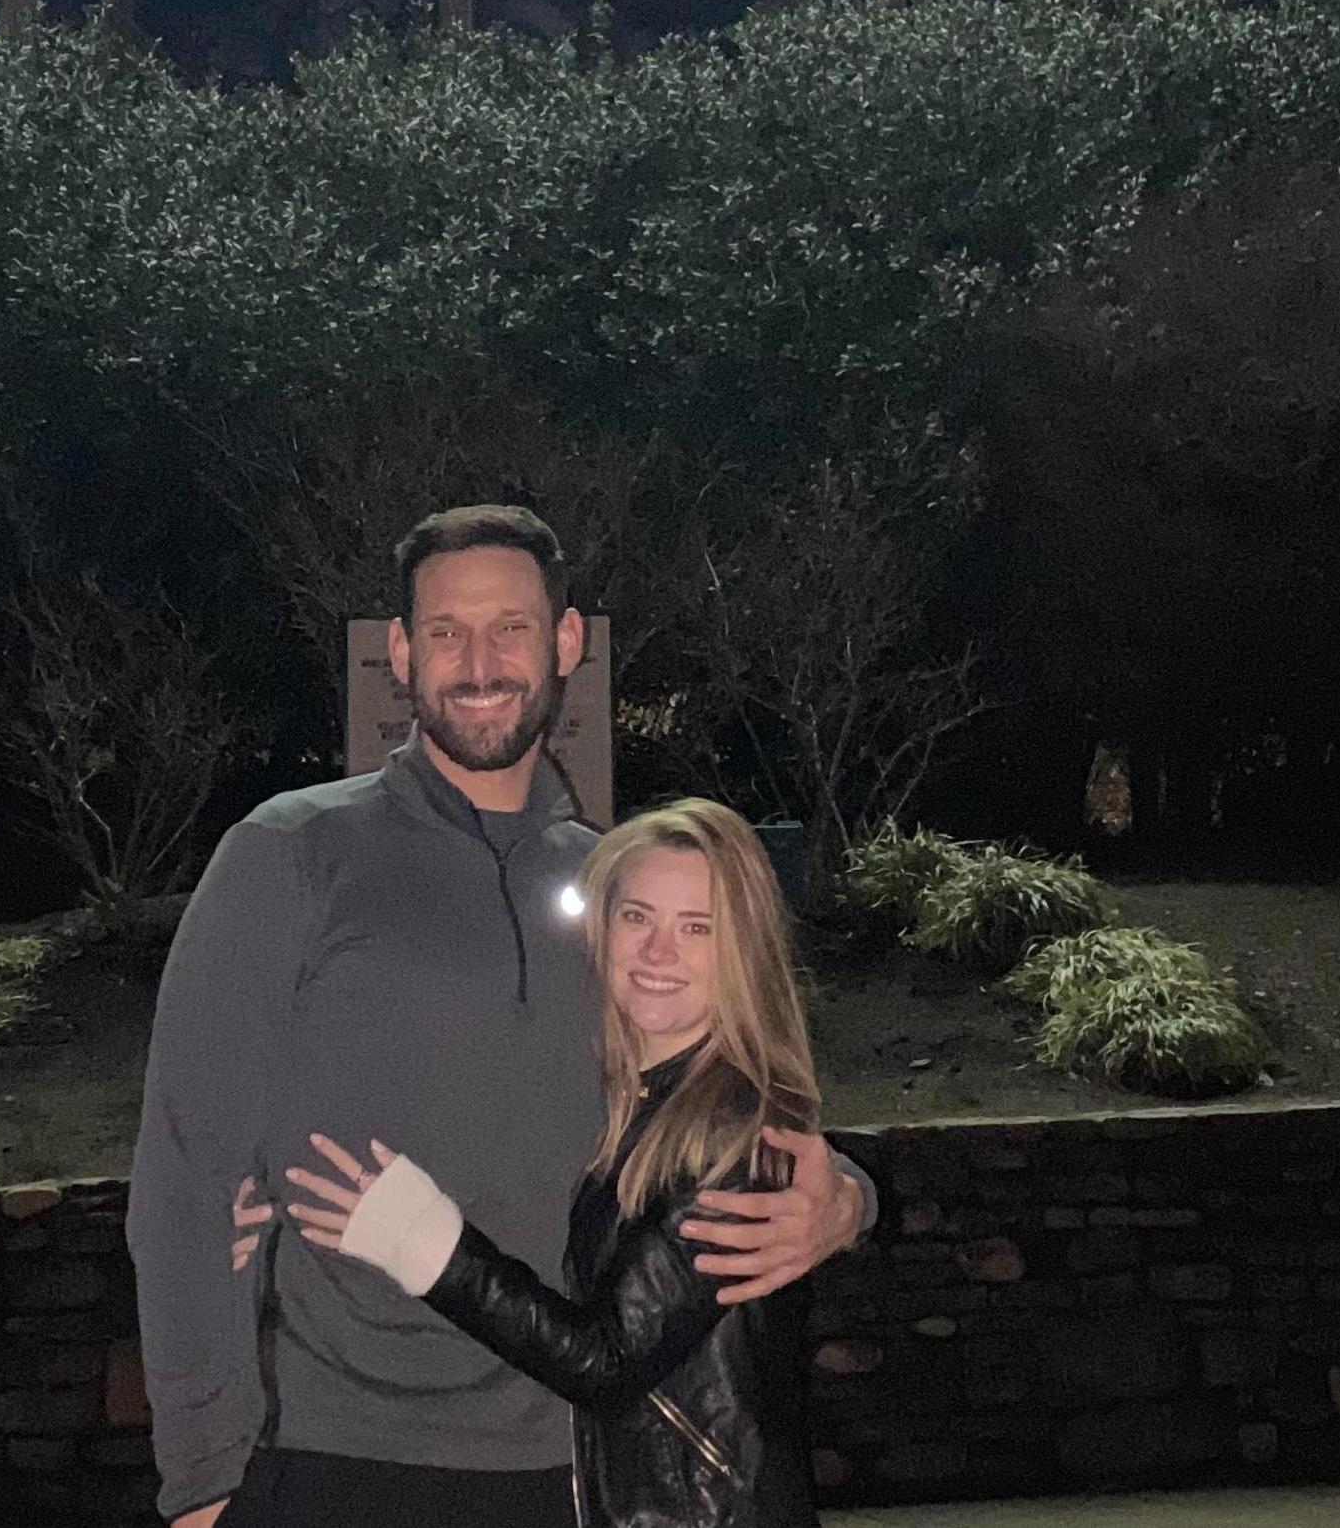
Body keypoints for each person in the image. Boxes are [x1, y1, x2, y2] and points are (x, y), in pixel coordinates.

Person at [128, 505, 869, 1528]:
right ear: (399, 650)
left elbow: (711, 1082)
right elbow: (183, 1172)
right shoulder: (287, 854)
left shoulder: (614, 890)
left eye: (510, 627)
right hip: (335, 1453)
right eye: (444, 630)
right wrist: (204, 1467)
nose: (479, 661)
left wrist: (845, 1196)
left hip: (576, 1459)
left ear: (565, 641)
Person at [282, 799, 822, 1527]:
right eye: (637, 918)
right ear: (600, 928)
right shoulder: (627, 1094)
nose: (659, 953)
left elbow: (605, 1362)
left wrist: (428, 1246)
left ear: (744, 948)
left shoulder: (729, 1133)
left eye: (697, 928)